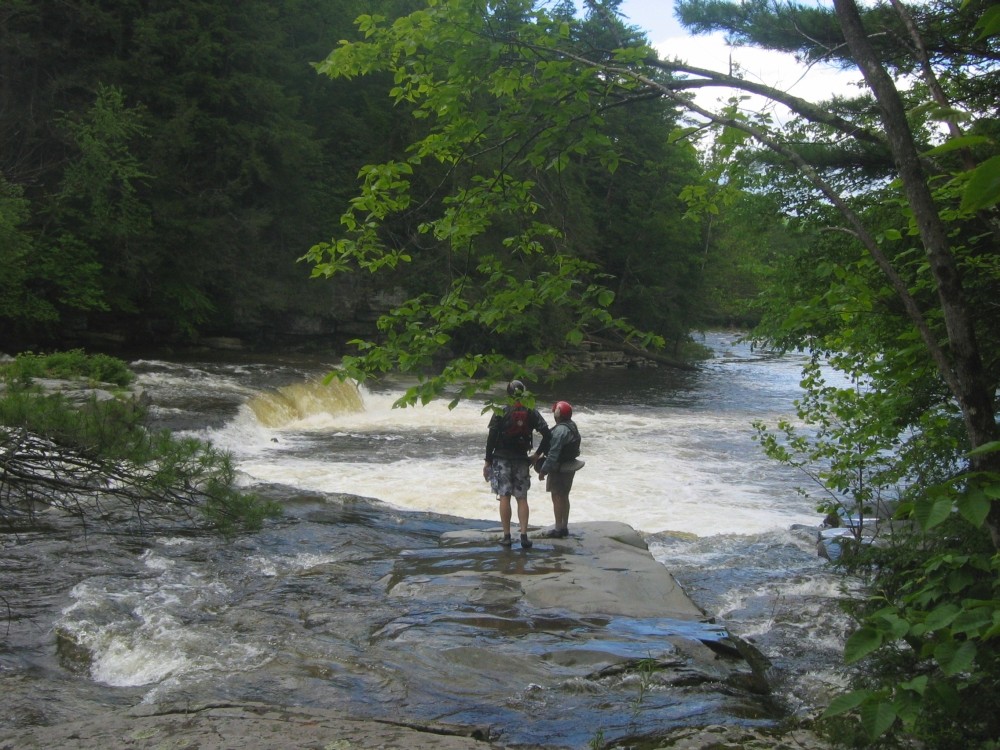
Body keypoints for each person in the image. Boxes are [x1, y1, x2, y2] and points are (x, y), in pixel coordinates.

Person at [483, 380, 551, 549]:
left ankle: (506, 536)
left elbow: (491, 438)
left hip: (501, 459)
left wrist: (487, 461)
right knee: (522, 498)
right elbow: (547, 434)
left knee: (504, 496)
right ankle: (524, 536)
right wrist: (537, 455)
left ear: (508, 394)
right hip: (522, 459)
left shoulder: (500, 411)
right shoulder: (531, 411)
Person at [536, 401, 582, 539]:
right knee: (565, 496)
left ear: (558, 415)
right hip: (570, 466)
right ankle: (564, 526)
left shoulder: (560, 431)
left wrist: (543, 470)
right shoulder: (572, 426)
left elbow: (553, 454)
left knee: (556, 496)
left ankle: (557, 529)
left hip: (558, 468)